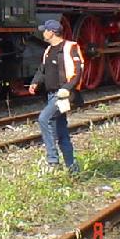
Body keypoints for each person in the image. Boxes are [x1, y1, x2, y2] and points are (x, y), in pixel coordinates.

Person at [28, 19, 84, 173]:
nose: (43, 33)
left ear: (51, 32)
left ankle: (53, 161)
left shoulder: (70, 47)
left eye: (45, 30)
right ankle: (72, 167)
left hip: (64, 96)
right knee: (61, 132)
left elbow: (78, 71)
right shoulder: (48, 50)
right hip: (51, 95)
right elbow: (42, 69)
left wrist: (67, 88)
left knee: (44, 118)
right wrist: (35, 82)